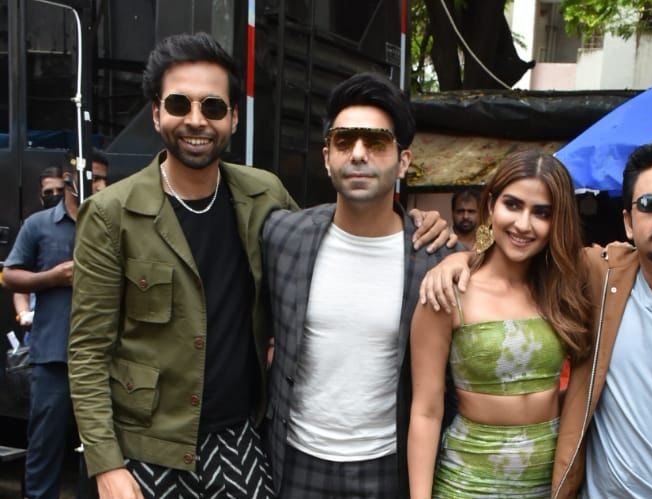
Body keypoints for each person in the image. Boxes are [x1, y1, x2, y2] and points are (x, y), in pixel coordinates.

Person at [68, 33, 450, 499]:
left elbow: (343, 225)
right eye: (178, 104)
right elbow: (87, 351)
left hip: (241, 441)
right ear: (155, 112)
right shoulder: (112, 213)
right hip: (146, 449)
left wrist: (439, 235)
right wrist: (106, 463)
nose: (195, 120)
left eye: (212, 107)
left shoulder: (263, 197)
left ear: (232, 117)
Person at [422, 141, 652, 498]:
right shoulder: (600, 277)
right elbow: (518, 253)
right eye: (649, 204)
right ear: (628, 221)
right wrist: (459, 258)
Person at [262, 72, 457, 499]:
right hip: (294, 461)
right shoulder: (282, 237)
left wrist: (462, 251)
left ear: (403, 161)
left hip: (385, 467)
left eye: (377, 143)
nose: (359, 154)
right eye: (345, 141)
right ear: (326, 155)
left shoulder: (434, 259)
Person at [408, 151, 591, 498]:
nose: (523, 224)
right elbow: (426, 411)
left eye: (541, 213)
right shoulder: (449, 290)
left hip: (549, 482)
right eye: (513, 204)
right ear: (490, 204)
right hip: (468, 481)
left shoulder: (564, 288)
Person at [2, 159, 81, 499]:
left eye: (103, 179)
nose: (97, 185)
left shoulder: (114, 224)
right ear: (70, 180)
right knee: (45, 447)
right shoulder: (38, 225)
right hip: (52, 353)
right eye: (90, 177)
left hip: (106, 355)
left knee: (103, 451)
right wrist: (53, 278)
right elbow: (11, 276)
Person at [12, 166, 67, 332]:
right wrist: (24, 314)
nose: (55, 196)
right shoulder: (34, 227)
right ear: (41, 197)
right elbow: (18, 282)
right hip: (41, 322)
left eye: (60, 190)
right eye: (48, 192)